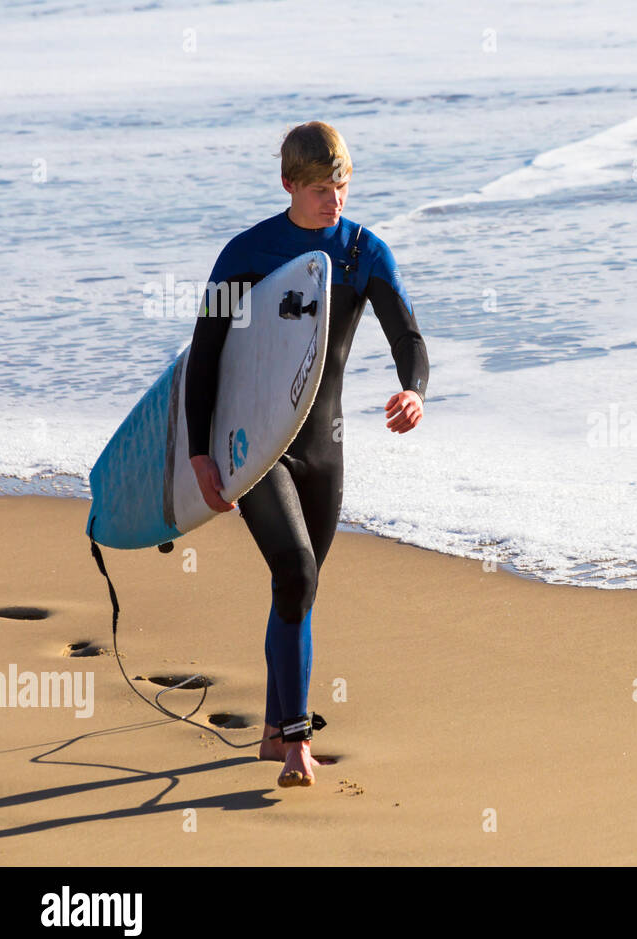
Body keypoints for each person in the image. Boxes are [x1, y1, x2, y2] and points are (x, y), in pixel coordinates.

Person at [184, 121, 428, 788]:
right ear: (288, 184)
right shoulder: (247, 253)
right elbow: (204, 358)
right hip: (254, 446)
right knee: (294, 571)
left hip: (326, 449)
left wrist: (414, 390)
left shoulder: (363, 252)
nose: (335, 200)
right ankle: (296, 744)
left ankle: (270, 729)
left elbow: (406, 333)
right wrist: (203, 456)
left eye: (342, 185)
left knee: (298, 587)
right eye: (320, 188)